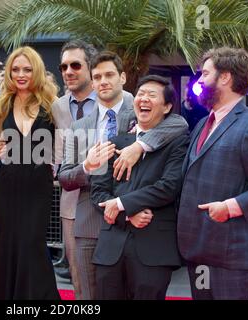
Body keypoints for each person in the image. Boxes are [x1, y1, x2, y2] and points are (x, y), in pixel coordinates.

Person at [58, 51, 189, 300]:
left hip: (137, 228)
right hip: (88, 221)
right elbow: (64, 178)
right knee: (88, 297)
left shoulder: (137, 111)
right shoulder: (78, 127)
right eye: (97, 77)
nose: (103, 81)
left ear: (122, 78)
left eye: (109, 75)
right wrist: (87, 165)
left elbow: (179, 124)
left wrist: (139, 146)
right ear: (92, 82)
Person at [177, 47, 248, 300]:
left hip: (231, 257)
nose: (199, 81)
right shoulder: (203, 123)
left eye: (205, 74)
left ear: (225, 77)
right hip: (198, 250)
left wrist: (230, 207)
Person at [90, 75, 189, 299]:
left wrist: (122, 202)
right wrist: (126, 215)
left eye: (151, 95)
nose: (144, 99)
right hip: (111, 247)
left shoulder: (179, 142)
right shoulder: (115, 143)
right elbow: (97, 192)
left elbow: (168, 186)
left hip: (153, 248)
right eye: (141, 94)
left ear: (167, 107)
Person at [0, 46, 60, 300]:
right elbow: (0, 144)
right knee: (8, 245)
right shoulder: (1, 105)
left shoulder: (52, 104)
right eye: (15, 69)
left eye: (27, 69)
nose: (21, 74)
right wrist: (1, 150)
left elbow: (64, 144)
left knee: (32, 244)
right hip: (7, 186)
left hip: (38, 185)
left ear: (37, 71)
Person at [51, 40, 99, 299]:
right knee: (79, 277)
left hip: (109, 201)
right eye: (64, 66)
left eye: (75, 65)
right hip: (71, 202)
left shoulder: (120, 99)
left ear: (90, 67)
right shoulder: (57, 106)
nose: (68, 71)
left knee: (113, 276)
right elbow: (57, 154)